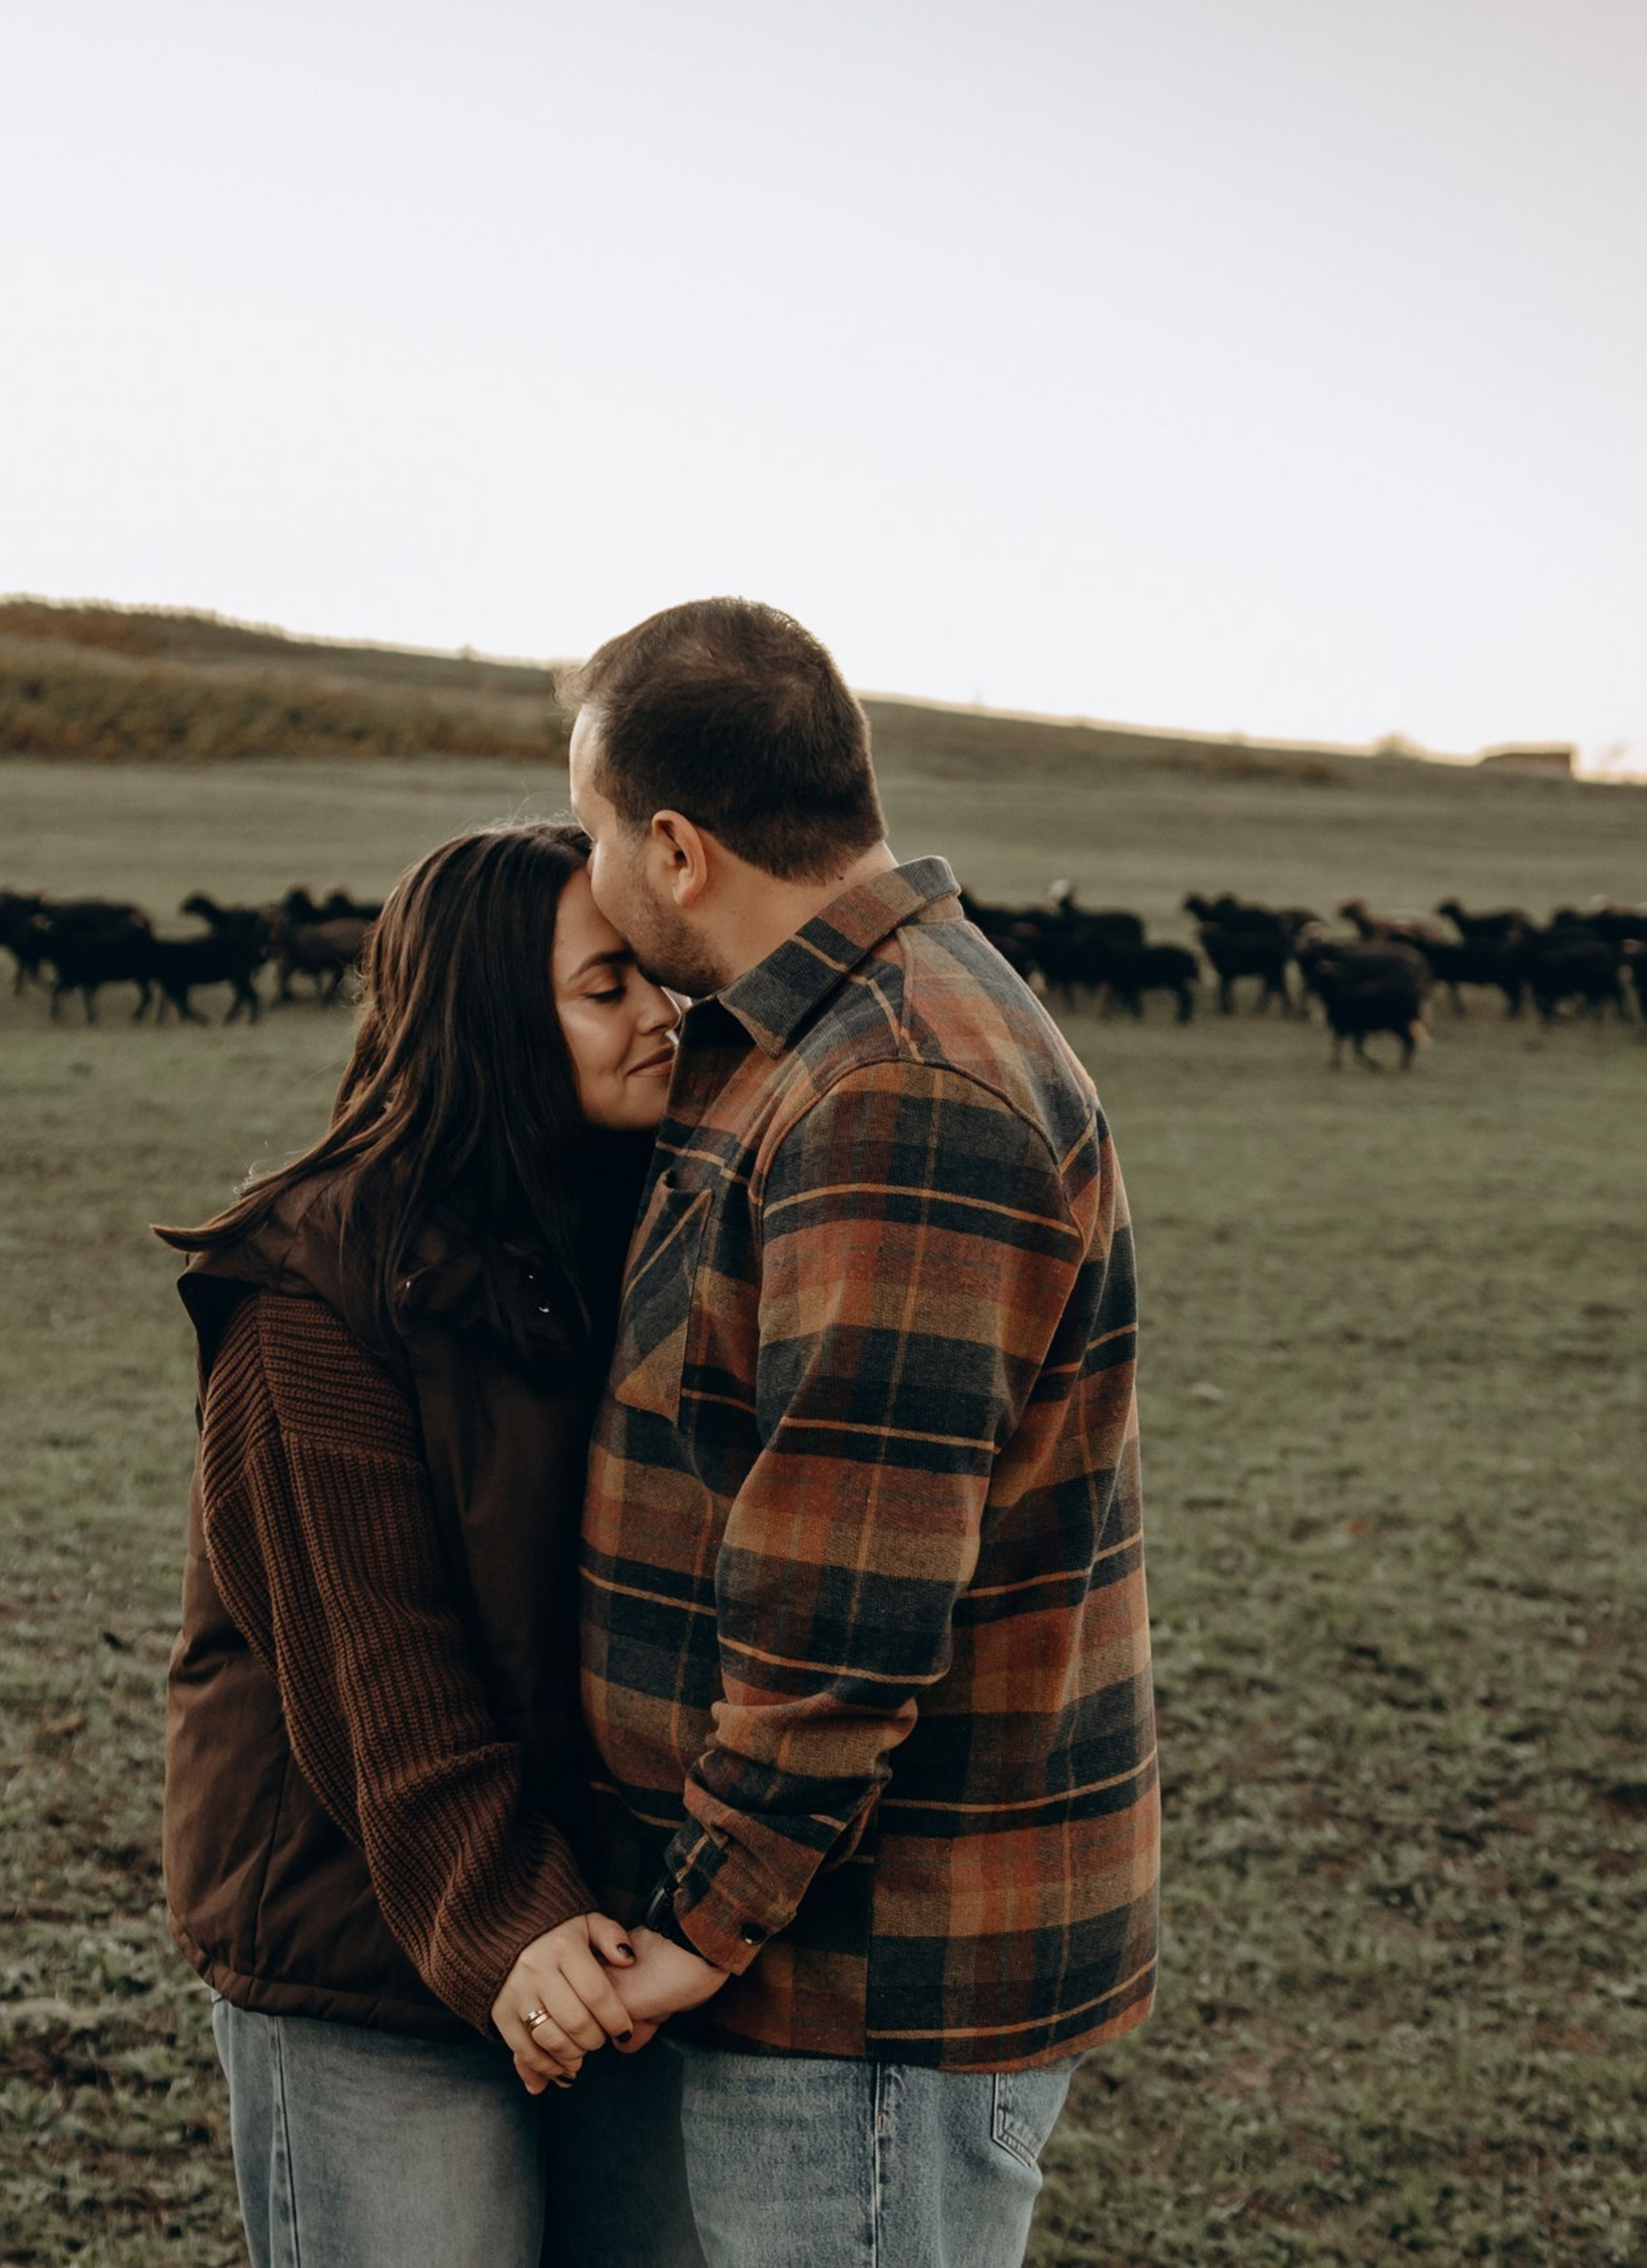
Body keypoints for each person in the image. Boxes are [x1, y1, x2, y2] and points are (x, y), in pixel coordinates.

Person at [564, 600, 1161, 2268]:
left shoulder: (898, 1084)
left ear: (674, 846)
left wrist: (711, 1912)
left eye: (597, 829)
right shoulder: (801, 1044)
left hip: (866, 1971)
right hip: (818, 1950)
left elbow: (853, 1589)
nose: (589, 865)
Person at [153, 821, 704, 2268]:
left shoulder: (628, 1231)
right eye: (607, 988)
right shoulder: (308, 1282)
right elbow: (365, 1658)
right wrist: (509, 1920)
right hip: (365, 1930)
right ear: (492, 1021)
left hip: (578, 1930)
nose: (661, 1014)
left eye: (657, 977)